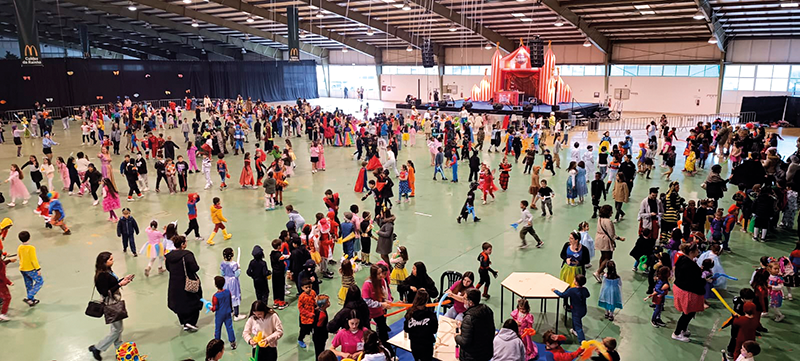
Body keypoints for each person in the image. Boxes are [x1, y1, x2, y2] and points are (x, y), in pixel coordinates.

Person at [88, 252, 134, 361]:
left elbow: (112, 284)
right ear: (104, 262)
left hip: (114, 301)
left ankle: (119, 349)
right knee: (117, 329)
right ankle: (97, 348)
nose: (113, 261)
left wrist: (123, 280)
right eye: (110, 259)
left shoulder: (108, 271)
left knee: (116, 328)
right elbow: (105, 292)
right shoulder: (102, 276)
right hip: (111, 304)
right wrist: (120, 284)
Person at [165, 236, 204, 332]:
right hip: (188, 282)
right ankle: (191, 322)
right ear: (182, 244)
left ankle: (184, 322)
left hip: (174, 283)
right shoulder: (187, 255)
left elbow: (168, 268)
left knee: (179, 303)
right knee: (194, 300)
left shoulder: (169, 256)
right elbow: (195, 268)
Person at [672, 243, 706, 342]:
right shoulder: (691, 266)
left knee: (688, 312)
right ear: (691, 252)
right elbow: (694, 281)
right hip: (687, 291)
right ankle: (676, 333)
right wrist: (704, 280)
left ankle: (683, 329)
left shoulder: (682, 259)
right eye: (696, 250)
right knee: (687, 314)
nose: (698, 251)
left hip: (680, 288)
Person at [454, 289, 495, 361]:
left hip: (471, 356)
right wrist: (464, 327)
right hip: (486, 353)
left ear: (470, 302)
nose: (463, 300)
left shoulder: (469, 318)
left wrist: (456, 336)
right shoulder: (487, 311)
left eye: (465, 298)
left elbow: (464, 342)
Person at [552, 274, 590, 343]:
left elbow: (562, 295)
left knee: (579, 327)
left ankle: (582, 341)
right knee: (576, 321)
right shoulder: (585, 289)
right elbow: (588, 295)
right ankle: (574, 330)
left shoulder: (572, 290)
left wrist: (555, 290)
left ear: (576, 282)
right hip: (583, 310)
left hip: (576, 311)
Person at [404, 289, 439, 361]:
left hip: (414, 345)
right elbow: (434, 330)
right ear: (426, 300)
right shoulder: (431, 315)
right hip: (427, 345)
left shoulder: (410, 313)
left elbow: (406, 329)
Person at [593, 205, 624, 282]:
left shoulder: (600, 219)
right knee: (608, 257)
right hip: (605, 240)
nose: (612, 213)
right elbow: (612, 234)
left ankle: (601, 271)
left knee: (603, 256)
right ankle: (598, 272)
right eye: (611, 211)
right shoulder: (608, 221)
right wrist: (619, 238)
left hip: (599, 238)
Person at [211, 276, 237, 350]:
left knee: (218, 329)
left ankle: (217, 343)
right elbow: (230, 302)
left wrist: (211, 308)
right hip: (228, 313)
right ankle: (233, 343)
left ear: (216, 285)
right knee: (229, 328)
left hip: (220, 314)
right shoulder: (228, 292)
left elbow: (215, 308)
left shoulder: (215, 296)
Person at [17, 231, 43, 306]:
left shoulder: (20, 247)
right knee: (39, 282)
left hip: (22, 268)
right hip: (30, 269)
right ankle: (29, 297)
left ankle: (31, 301)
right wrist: (38, 269)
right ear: (29, 238)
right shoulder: (31, 248)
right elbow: (33, 259)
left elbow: (19, 257)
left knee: (28, 284)